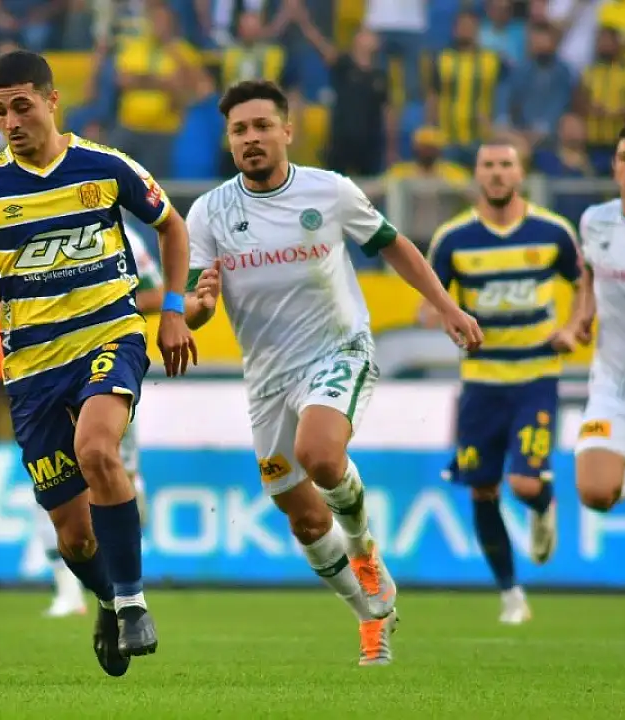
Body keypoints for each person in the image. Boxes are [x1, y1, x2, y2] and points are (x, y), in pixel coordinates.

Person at [183, 79, 482, 667]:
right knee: (303, 517)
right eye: (239, 130)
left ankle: (365, 551)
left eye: (262, 126)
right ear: (229, 140)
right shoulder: (208, 212)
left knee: (320, 454)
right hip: (266, 377)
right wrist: (199, 305)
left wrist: (446, 306)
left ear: (287, 131)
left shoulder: (330, 190)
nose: (251, 138)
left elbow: (392, 244)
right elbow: (196, 306)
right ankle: (370, 615)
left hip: (338, 350)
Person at [0, 50, 197, 677]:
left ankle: (132, 603)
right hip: (32, 369)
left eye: (21, 106)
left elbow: (172, 228)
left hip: (110, 336)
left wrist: (173, 309)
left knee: (98, 450)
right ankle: (107, 599)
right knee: (74, 537)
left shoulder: (106, 167)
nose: (11, 121)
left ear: (52, 101)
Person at [422, 140, 588, 625]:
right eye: (488, 165)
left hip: (536, 376)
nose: (496, 173)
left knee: (523, 481)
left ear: (520, 173)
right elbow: (432, 298)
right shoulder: (454, 238)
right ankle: (511, 593)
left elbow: (584, 282)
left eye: (505, 165)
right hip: (480, 382)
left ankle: (542, 502)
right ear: (477, 174)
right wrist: (442, 318)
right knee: (482, 489)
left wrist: (574, 326)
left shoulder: (551, 231)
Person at [35, 222, 162, 618]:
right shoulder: (33, 224)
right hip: (45, 369)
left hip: (105, 369)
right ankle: (69, 592)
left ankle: (123, 586)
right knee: (51, 484)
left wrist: (100, 307)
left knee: (115, 473)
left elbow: (157, 292)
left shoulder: (123, 235)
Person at [573, 126, 625, 515]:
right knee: (594, 492)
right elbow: (590, 271)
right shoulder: (594, 221)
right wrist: (583, 315)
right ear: (614, 167)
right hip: (612, 385)